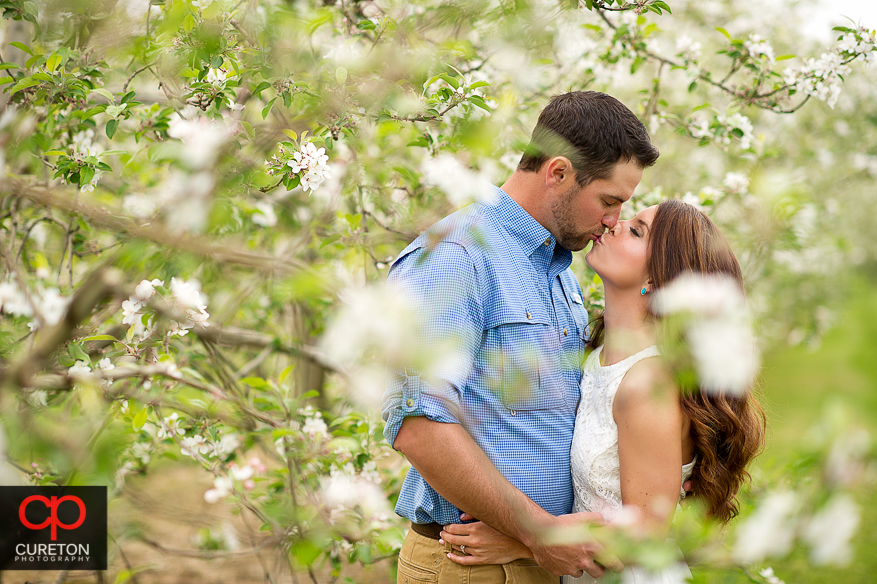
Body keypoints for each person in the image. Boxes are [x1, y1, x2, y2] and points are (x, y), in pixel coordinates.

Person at [381, 90, 659, 583]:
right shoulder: (457, 257)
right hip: (470, 567)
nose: (613, 221)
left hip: (540, 560)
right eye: (609, 201)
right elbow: (417, 423)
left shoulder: (560, 272)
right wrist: (538, 532)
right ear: (557, 173)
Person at [438, 199, 767, 583]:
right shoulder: (595, 358)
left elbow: (645, 536)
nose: (614, 224)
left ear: (658, 282)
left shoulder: (646, 383)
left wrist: (525, 542)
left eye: (637, 230)